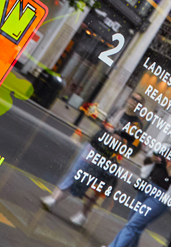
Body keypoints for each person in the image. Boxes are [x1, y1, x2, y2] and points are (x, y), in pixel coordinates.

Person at [42, 91, 147, 226]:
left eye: (138, 101)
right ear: (128, 98)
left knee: (94, 188)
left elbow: (134, 149)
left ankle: (83, 214)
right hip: (94, 146)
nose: (134, 102)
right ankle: (53, 200)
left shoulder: (137, 125)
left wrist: (121, 141)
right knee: (75, 172)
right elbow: (104, 126)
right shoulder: (117, 111)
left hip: (109, 157)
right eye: (133, 98)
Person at [101, 129, 171, 247]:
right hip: (147, 186)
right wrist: (153, 159)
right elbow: (146, 162)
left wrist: (170, 171)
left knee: (135, 223)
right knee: (134, 223)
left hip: (161, 196)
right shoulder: (166, 147)